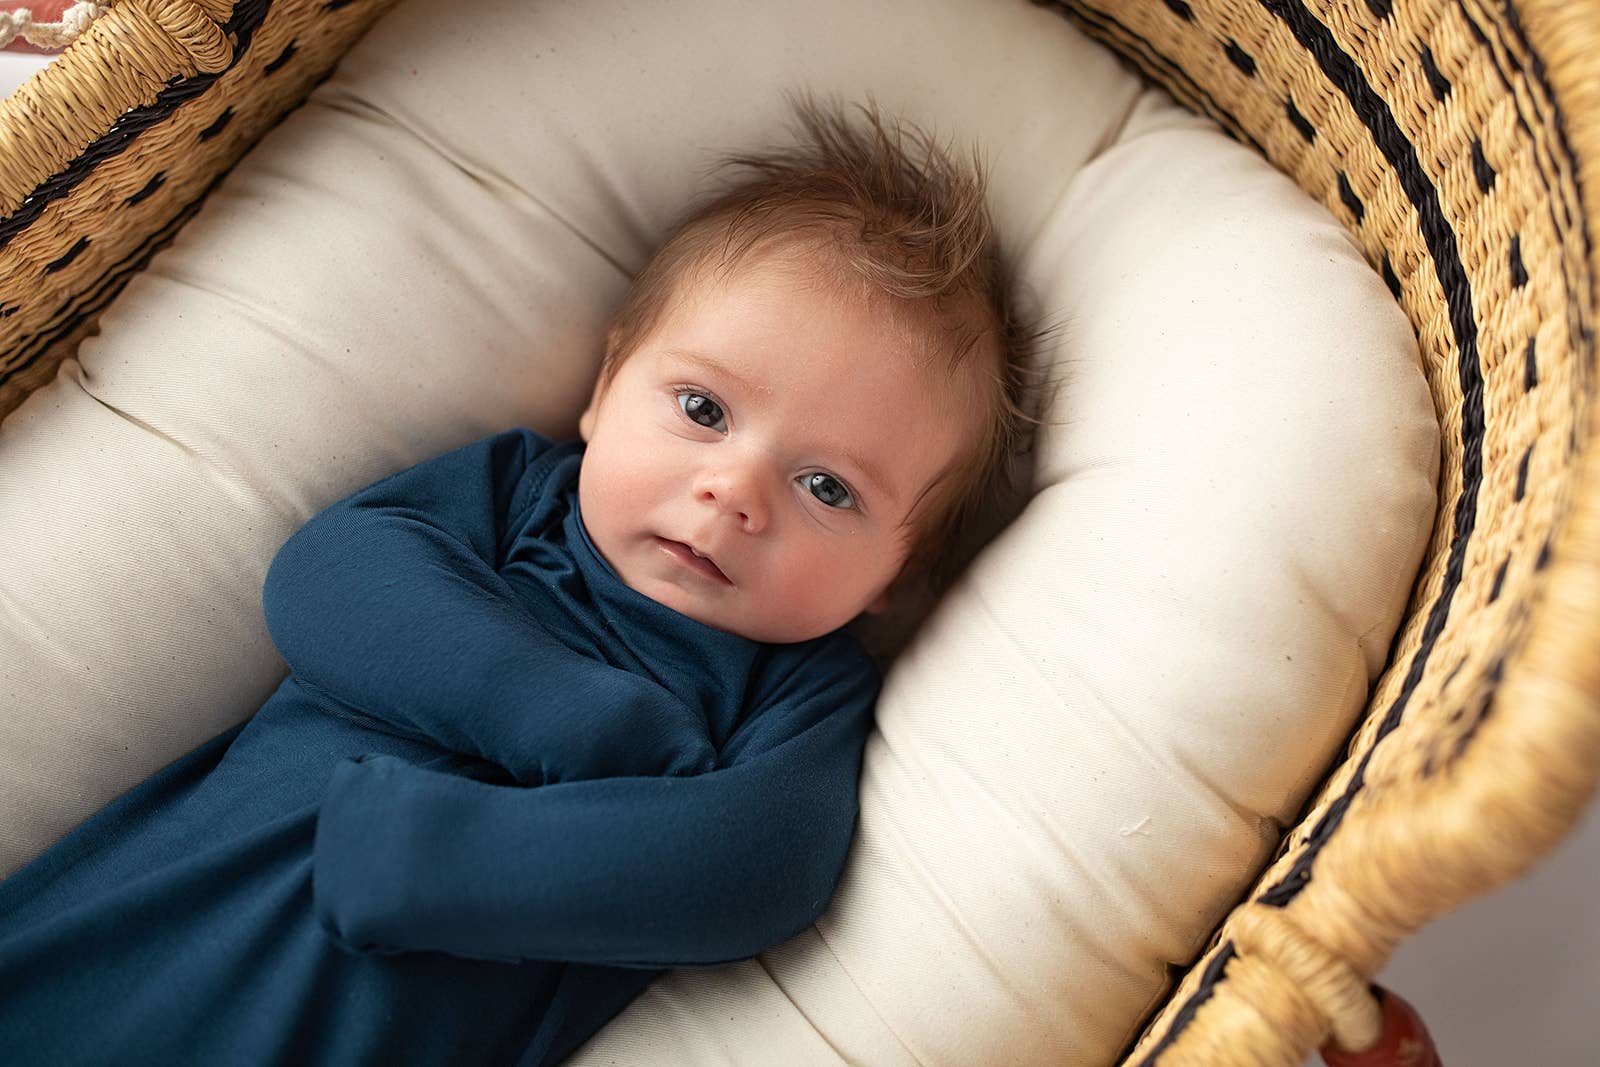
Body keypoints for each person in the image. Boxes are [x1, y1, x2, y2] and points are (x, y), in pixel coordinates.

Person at [0, 98, 1037, 1066]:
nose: (732, 492)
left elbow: (754, 868)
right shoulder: (519, 498)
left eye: (826, 486)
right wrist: (574, 716)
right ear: (603, 388)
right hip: (159, 919)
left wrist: (440, 861)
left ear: (901, 577)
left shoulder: (800, 687)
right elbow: (329, 580)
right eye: (703, 410)